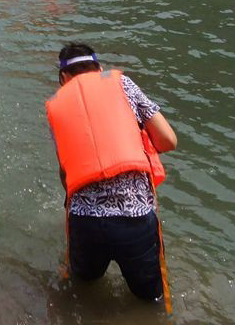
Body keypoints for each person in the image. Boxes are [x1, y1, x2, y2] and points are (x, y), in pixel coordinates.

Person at [45, 42, 177, 303]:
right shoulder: (123, 84)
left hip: (85, 221)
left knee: (82, 291)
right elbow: (168, 141)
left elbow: (66, 172)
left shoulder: (55, 105)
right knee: (151, 300)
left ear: (63, 78)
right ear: (100, 68)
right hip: (135, 217)